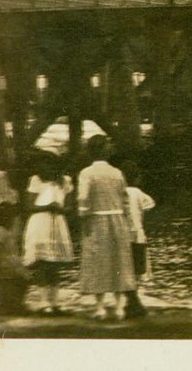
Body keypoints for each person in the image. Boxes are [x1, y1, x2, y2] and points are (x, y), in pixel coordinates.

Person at [77, 135, 136, 320]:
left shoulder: (87, 173)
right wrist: (127, 221)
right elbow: (125, 199)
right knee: (119, 262)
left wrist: (84, 217)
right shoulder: (117, 172)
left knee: (98, 261)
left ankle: (100, 308)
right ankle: (119, 307)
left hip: (97, 220)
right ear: (106, 150)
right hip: (117, 220)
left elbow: (83, 198)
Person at [22, 152, 75, 314]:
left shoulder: (65, 181)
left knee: (54, 264)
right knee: (42, 263)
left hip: (57, 223)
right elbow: (29, 206)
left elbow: (70, 207)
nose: (42, 168)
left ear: (54, 166)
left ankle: (55, 302)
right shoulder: (36, 180)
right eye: (39, 164)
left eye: (46, 164)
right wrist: (48, 207)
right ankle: (44, 303)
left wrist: (62, 209)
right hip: (40, 223)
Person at [119, 160, 155, 319]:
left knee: (125, 268)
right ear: (137, 177)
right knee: (137, 269)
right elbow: (148, 207)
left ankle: (129, 301)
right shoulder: (138, 193)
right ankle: (133, 301)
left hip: (122, 234)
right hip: (137, 234)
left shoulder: (119, 192)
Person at [0, 201, 30, 314]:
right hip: (5, 264)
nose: (15, 221)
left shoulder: (7, 232)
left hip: (11, 263)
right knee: (19, 279)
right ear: (7, 218)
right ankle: (14, 305)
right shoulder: (1, 231)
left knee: (24, 277)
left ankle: (17, 303)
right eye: (13, 218)